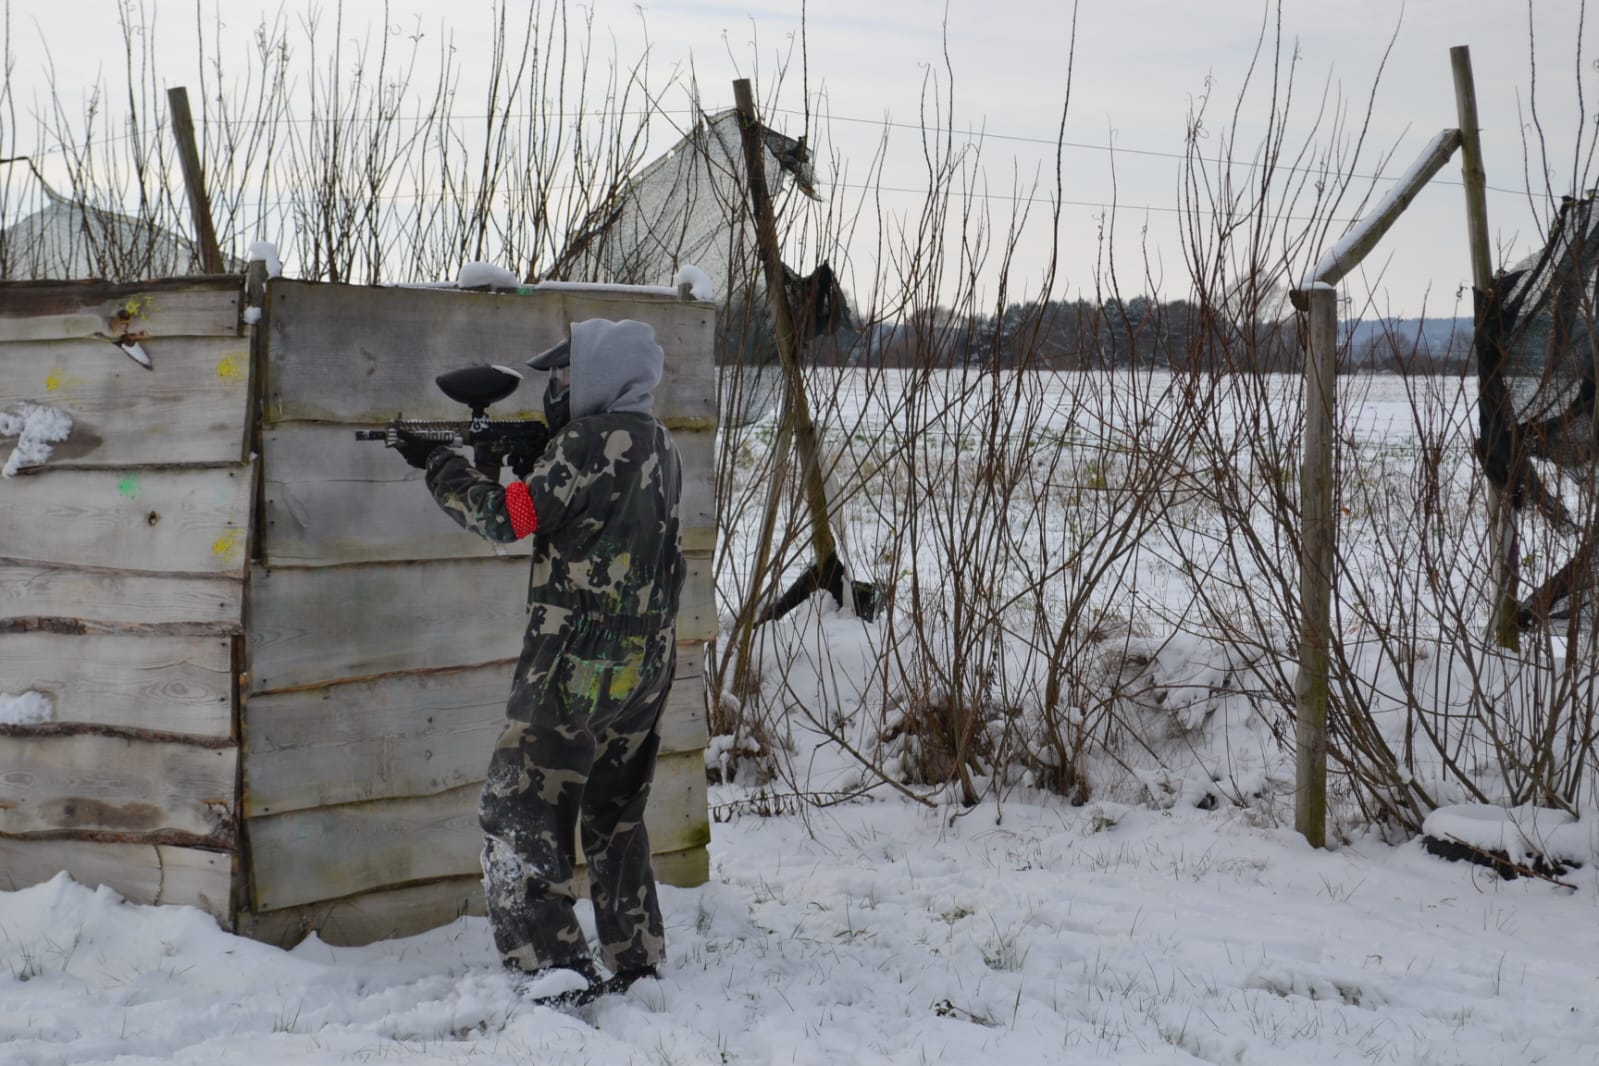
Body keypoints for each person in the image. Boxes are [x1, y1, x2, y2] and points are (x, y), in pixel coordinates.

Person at [392, 318, 684, 1005]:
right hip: (647, 663)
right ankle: (635, 956)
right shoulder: (661, 444)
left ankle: (549, 965)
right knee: (615, 815)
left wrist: (441, 466)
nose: (553, 390)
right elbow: (589, 515)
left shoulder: (582, 442)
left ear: (601, 380)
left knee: (516, 807)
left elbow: (506, 518)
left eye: (563, 377)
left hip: (577, 667)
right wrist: (528, 463)